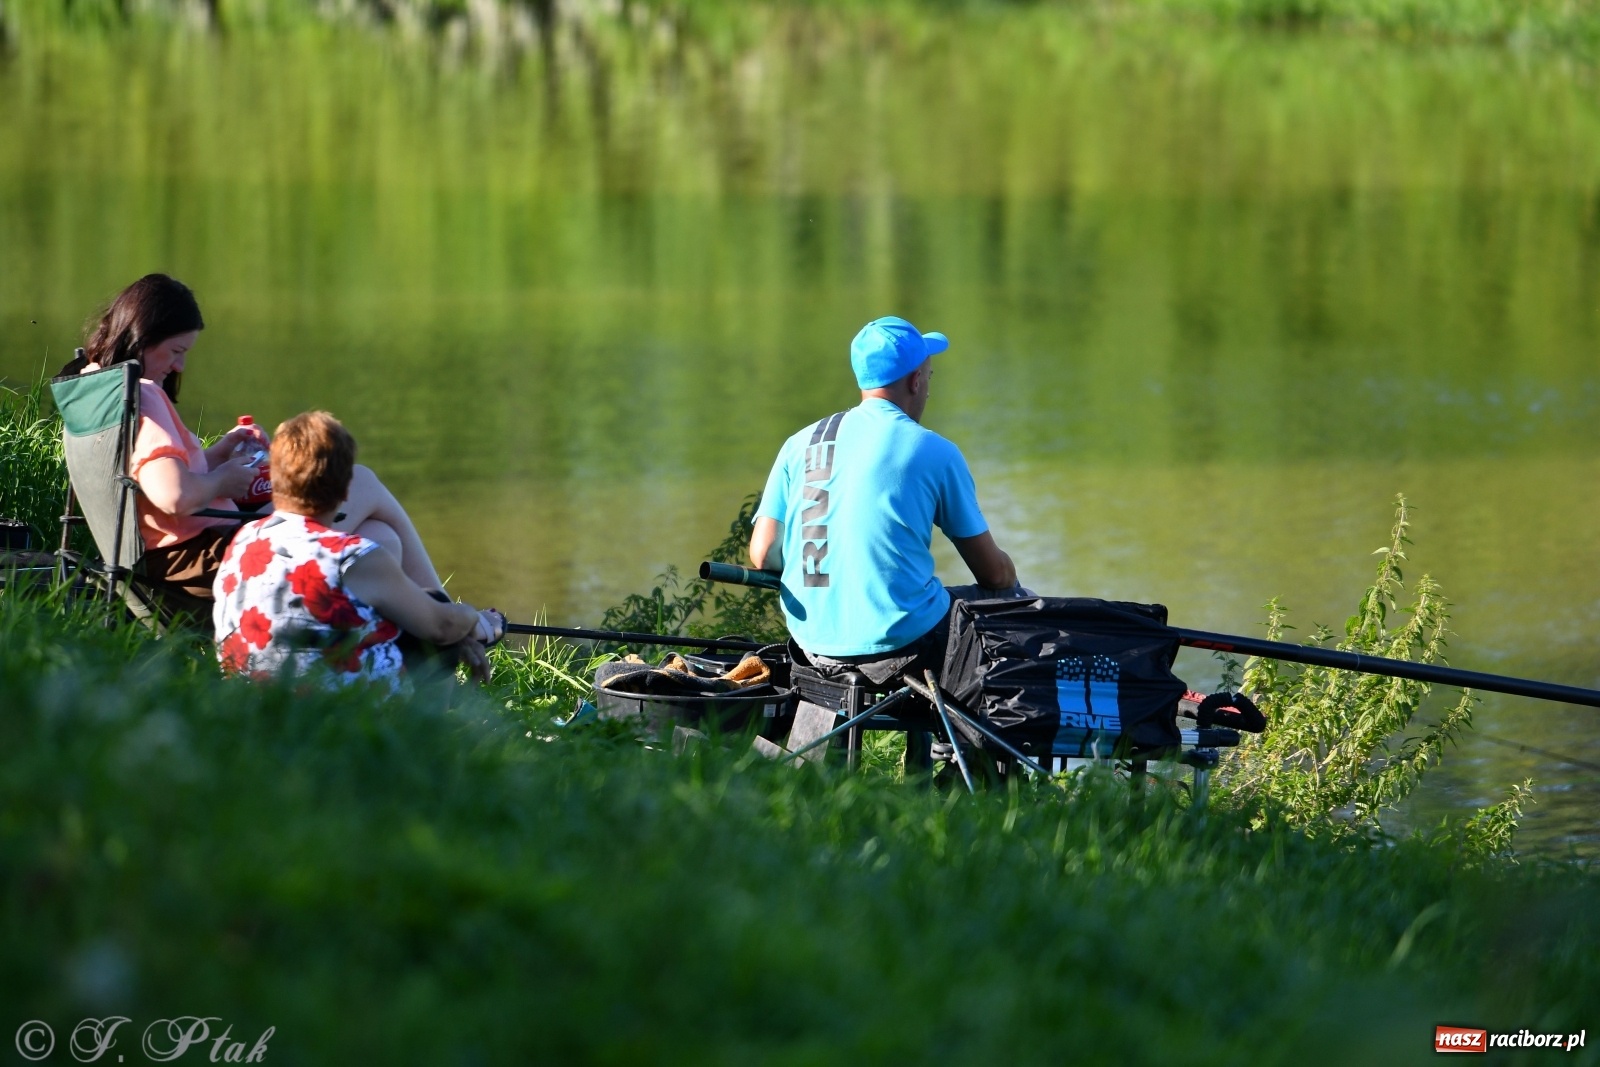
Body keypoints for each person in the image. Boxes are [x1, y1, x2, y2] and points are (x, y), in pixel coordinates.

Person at [61, 274, 448, 602]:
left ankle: (389, 648)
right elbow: (173, 496)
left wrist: (219, 454)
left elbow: (151, 480)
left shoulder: (99, 386)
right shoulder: (143, 393)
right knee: (360, 480)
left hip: (170, 556)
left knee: (380, 541)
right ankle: (446, 617)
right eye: (177, 351)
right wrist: (224, 479)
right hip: (212, 560)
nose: (180, 365)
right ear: (142, 336)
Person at [749, 315, 1026, 685]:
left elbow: (763, 553)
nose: (928, 388)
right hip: (903, 645)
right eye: (929, 377)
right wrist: (1013, 581)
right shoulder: (934, 450)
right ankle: (961, 741)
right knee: (1016, 605)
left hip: (809, 644)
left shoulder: (801, 442)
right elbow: (993, 573)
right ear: (915, 382)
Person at [213, 411, 504, 688]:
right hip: (328, 709)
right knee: (438, 626)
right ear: (344, 492)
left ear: (273, 482)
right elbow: (442, 627)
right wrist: (472, 620)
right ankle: (432, 733)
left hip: (248, 696)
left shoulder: (244, 538)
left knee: (419, 609)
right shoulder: (353, 555)